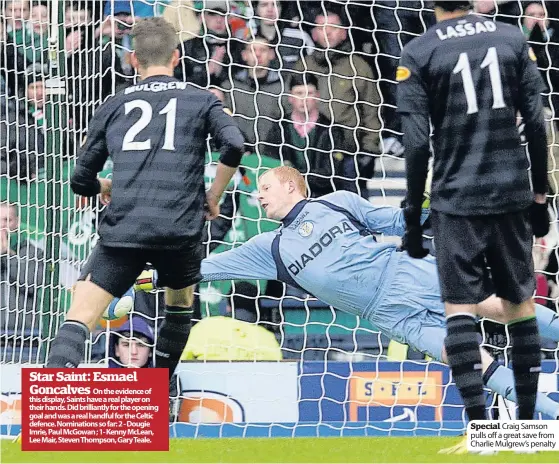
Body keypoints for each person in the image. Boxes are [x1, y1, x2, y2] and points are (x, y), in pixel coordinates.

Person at [135, 166, 559, 422]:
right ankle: (552, 412)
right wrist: (149, 277)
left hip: (405, 274)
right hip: (389, 317)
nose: (257, 196)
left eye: (264, 188)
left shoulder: (337, 202)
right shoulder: (267, 249)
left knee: (501, 309)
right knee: (468, 363)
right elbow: (204, 269)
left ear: (290, 186)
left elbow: (398, 222)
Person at [44, 17, 245, 387]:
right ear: (177, 56)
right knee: (179, 308)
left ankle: (50, 415)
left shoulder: (115, 102)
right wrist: (213, 196)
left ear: (133, 59)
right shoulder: (201, 100)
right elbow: (234, 144)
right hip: (178, 230)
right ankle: (158, 398)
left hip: (125, 227)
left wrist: (104, 183)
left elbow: (78, 181)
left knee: (80, 315)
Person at [397, 0, 549, 445]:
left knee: (459, 309)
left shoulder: (419, 50)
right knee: (520, 303)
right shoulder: (511, 38)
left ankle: (480, 432)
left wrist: (412, 213)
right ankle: (524, 429)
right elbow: (537, 124)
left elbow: (415, 142)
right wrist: (540, 195)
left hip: (456, 197)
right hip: (510, 191)